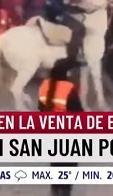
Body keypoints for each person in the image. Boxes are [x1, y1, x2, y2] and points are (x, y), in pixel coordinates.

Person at [38, 58, 83, 196]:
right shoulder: (69, 88)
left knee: (55, 160)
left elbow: (40, 108)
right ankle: (64, 190)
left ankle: (55, 189)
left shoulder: (44, 85)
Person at [44, 0, 87, 65]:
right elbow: (52, 1)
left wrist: (77, 8)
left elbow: (67, 1)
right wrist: (63, 11)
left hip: (60, 10)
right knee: (79, 28)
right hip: (53, 13)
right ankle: (71, 58)